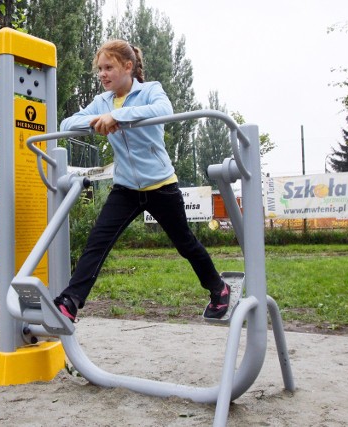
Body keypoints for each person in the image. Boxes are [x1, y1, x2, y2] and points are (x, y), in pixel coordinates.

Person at [53, 40, 231, 322]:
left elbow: (163, 110)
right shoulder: (102, 101)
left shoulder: (150, 90)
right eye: (99, 69)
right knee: (97, 242)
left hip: (160, 185)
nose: (102, 74)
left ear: (128, 67)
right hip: (125, 187)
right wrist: (99, 118)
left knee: (185, 243)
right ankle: (70, 302)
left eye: (108, 67)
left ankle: (219, 288)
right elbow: (66, 125)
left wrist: (118, 116)